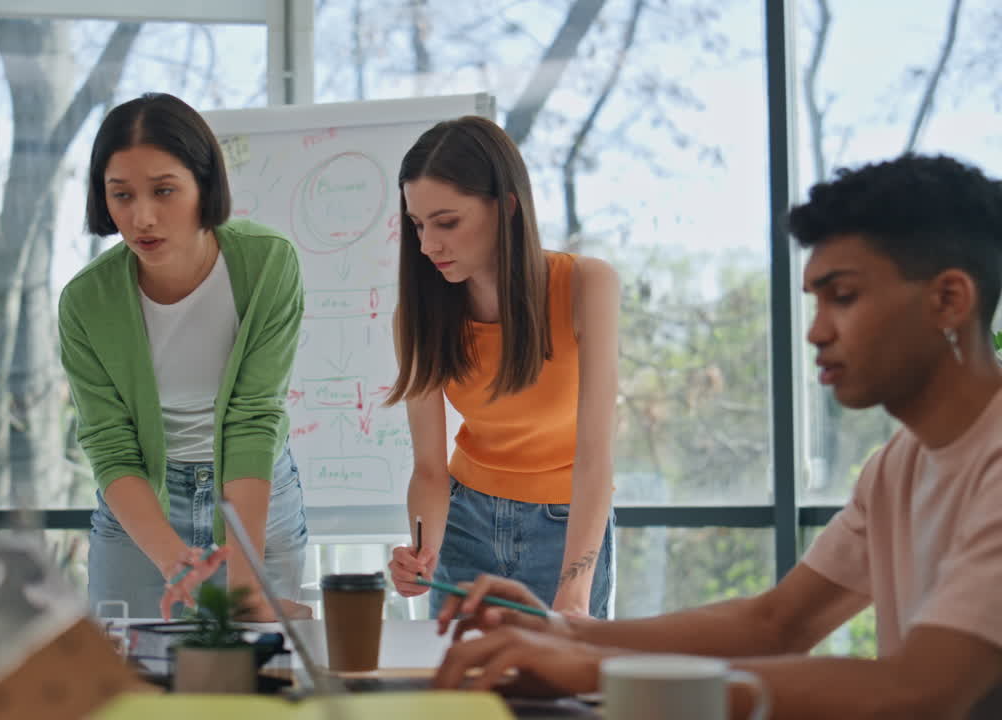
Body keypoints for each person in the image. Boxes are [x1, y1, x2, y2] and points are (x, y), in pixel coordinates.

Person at [430, 154, 1002, 719]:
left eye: (844, 296)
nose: (816, 330)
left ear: (949, 300)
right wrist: (559, 632)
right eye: (815, 301)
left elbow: (921, 690)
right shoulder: (897, 466)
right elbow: (777, 624)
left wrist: (592, 670)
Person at [59, 92, 310, 621]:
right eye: (120, 194)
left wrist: (242, 592)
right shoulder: (86, 302)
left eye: (164, 190)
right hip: (143, 502)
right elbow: (110, 444)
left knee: (254, 676)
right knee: (129, 678)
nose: (142, 216)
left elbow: (252, 420)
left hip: (253, 489)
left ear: (205, 186)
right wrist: (173, 559)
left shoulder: (268, 264)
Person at [384, 116, 619, 618]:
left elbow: (596, 458)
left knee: (561, 687)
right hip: (464, 521)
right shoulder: (419, 316)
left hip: (567, 527)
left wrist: (573, 594)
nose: (427, 246)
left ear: (507, 207)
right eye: (417, 225)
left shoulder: (586, 286)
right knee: (455, 685)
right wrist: (421, 555)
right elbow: (429, 468)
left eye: (447, 223)